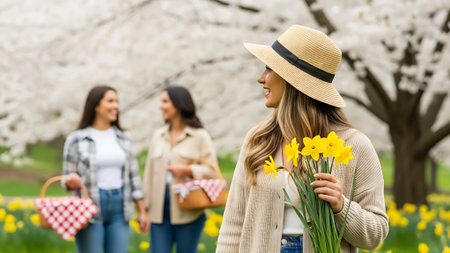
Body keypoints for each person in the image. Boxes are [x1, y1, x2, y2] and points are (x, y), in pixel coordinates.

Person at [216, 25, 389, 253]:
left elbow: (376, 234)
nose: (261, 78)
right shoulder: (258, 140)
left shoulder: (354, 146)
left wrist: (341, 207)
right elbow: (233, 226)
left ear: (292, 79)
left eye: (269, 69)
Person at [62, 85, 149, 253]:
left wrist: (142, 211)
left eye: (117, 101)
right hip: (89, 208)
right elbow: (66, 181)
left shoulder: (124, 138)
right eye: (110, 101)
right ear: (95, 105)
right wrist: (72, 181)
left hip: (120, 207)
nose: (116, 106)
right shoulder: (76, 139)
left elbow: (134, 178)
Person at [143, 86, 218, 253]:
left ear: (178, 104)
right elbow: (149, 174)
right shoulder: (158, 135)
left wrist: (188, 170)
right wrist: (143, 210)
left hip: (189, 210)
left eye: (165, 101)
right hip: (159, 212)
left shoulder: (200, 136)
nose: (160, 106)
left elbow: (212, 171)